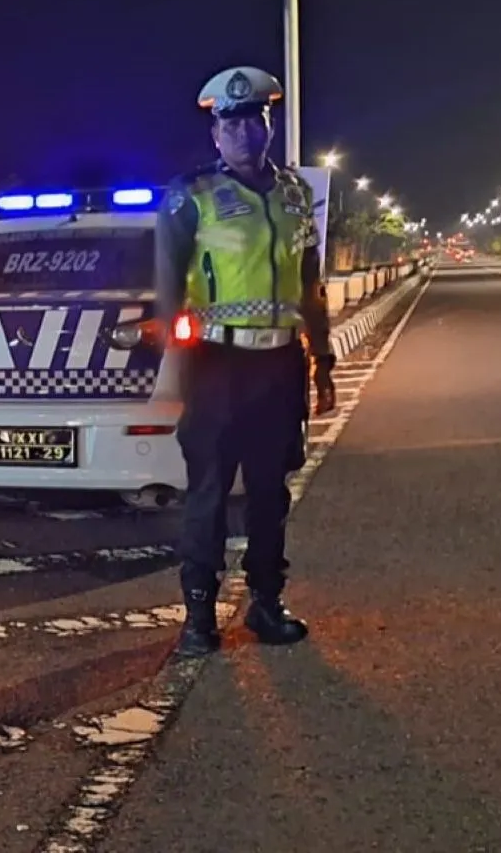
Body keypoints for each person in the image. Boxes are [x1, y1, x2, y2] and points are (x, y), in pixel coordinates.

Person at [155, 66, 337, 658]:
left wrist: (324, 359)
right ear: (215, 134)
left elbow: (311, 286)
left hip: (279, 368)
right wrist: (176, 370)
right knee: (207, 495)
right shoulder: (191, 196)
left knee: (269, 493)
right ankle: (199, 618)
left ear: (268, 124)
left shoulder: (295, 194)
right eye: (228, 123)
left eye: (251, 120)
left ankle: (266, 603)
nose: (241, 133)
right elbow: (165, 294)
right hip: (216, 367)